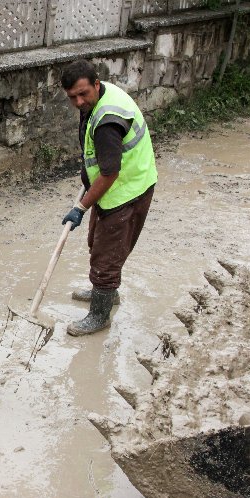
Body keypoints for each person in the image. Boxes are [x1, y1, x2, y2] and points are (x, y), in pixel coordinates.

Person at [60, 59, 157, 337]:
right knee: (97, 242)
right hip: (119, 185)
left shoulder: (107, 122)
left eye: (83, 94)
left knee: (107, 255)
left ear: (96, 84)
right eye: (72, 97)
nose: (79, 101)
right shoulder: (99, 98)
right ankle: (104, 291)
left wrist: (80, 206)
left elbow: (109, 173)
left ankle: (100, 315)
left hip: (127, 190)